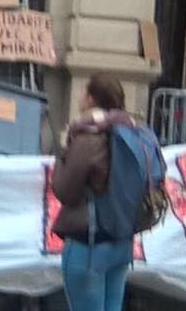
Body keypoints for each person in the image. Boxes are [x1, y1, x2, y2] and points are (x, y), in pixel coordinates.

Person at [51, 74, 136, 311]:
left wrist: (63, 155)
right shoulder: (130, 132)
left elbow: (64, 190)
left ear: (90, 99)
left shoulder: (89, 138)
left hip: (89, 246)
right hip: (121, 242)